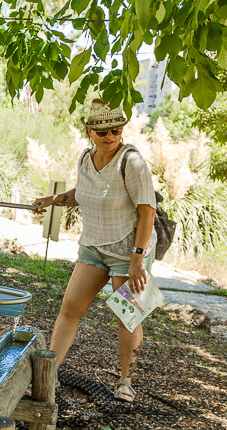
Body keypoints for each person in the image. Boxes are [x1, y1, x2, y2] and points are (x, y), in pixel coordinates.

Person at [32, 98, 158, 404]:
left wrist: (137, 261)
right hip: (93, 245)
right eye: (103, 132)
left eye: (117, 129)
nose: (111, 136)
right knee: (70, 308)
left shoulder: (133, 162)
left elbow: (147, 212)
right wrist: (52, 200)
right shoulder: (85, 159)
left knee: (126, 315)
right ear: (90, 131)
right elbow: (84, 193)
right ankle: (51, 373)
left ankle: (126, 381)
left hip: (129, 249)